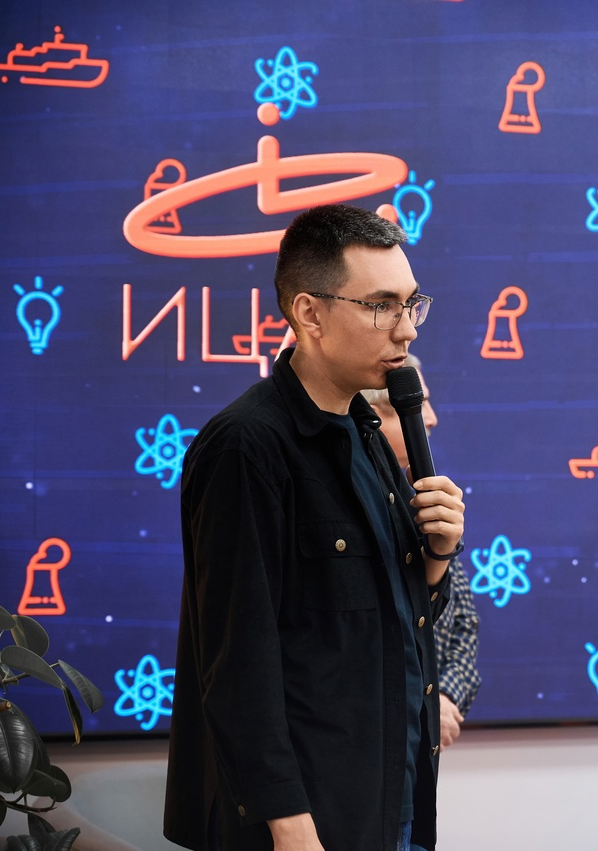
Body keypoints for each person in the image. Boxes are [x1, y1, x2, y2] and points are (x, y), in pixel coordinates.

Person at [164, 204, 465, 851]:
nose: (407, 329)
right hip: (305, 819)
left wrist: (436, 557)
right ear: (309, 313)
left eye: (411, 304)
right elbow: (237, 659)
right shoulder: (247, 446)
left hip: (386, 797)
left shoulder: (367, 431)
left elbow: (391, 619)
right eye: (381, 306)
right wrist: (288, 821)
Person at [361, 355, 481, 748]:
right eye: (418, 405)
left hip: (419, 746)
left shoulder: (420, 499)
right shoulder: (350, 498)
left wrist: (444, 696)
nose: (431, 419)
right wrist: (417, 702)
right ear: (371, 414)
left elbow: (463, 621)